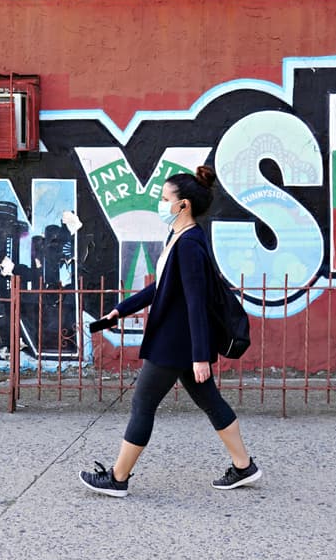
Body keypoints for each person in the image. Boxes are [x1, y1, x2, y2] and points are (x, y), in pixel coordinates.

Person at [79, 166, 261, 497]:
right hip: (180, 343)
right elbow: (163, 288)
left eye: (165, 199)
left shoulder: (190, 243)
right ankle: (244, 466)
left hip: (175, 344)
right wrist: (123, 309)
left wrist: (201, 356)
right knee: (211, 402)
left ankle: (118, 478)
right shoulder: (177, 237)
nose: (161, 205)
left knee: (143, 403)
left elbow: (195, 302)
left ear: (183, 205)